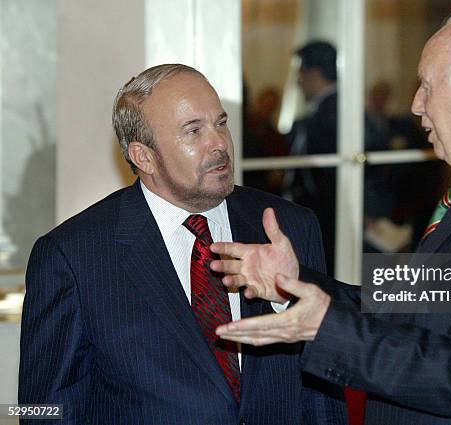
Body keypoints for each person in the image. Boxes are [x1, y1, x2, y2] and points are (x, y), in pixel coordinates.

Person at [212, 8, 451, 425]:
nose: (415, 105)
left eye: (427, 86)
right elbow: (408, 305)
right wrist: (297, 283)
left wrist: (325, 328)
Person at [19, 64, 347, 425]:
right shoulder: (73, 255)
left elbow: (320, 390)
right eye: (193, 131)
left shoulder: (289, 227)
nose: (219, 143)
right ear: (143, 156)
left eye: (220, 123)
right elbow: (44, 412)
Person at [282, 40, 338, 274]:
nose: (298, 81)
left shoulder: (329, 116)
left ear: (314, 73)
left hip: (327, 216)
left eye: (301, 73)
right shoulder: (326, 111)